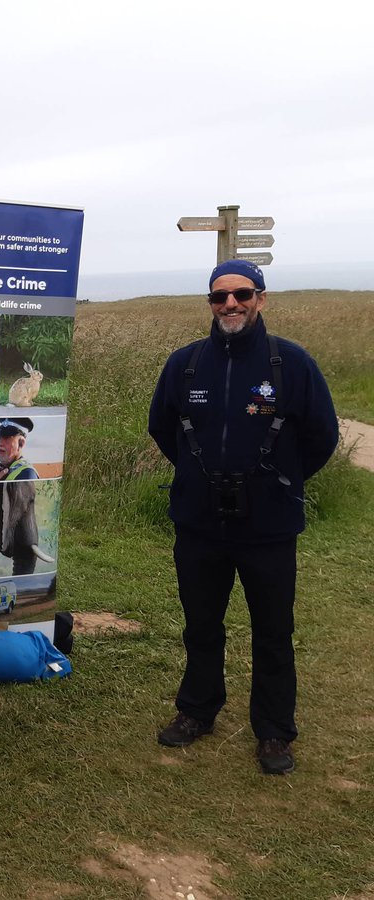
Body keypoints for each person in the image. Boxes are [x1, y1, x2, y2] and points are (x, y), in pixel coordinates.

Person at [148, 259, 338, 775]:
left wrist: (279, 481)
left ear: (261, 298)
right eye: (219, 297)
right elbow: (163, 428)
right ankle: (196, 711)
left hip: (269, 528)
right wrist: (198, 473)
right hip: (199, 522)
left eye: (242, 294)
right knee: (201, 624)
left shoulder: (292, 365)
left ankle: (275, 731)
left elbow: (322, 438)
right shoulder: (184, 365)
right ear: (209, 303)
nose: (230, 304)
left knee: (273, 630)